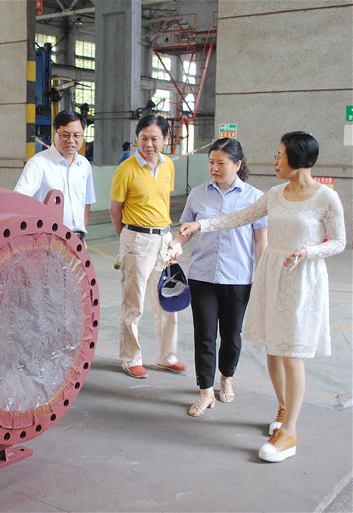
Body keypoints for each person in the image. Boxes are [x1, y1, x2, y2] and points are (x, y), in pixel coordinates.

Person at [179, 131, 345, 462]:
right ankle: (283, 409)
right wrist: (201, 226)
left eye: (280, 155)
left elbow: (339, 241)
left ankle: (289, 433)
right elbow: (237, 218)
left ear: (299, 158)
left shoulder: (326, 197)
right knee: (274, 350)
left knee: (292, 353)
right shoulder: (275, 194)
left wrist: (309, 251)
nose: (275, 160)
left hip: (302, 278)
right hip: (273, 275)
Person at [169, 138, 268, 416]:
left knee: (232, 335)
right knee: (204, 335)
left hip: (238, 277)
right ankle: (205, 391)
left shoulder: (254, 197)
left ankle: (226, 377)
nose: (214, 167)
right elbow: (186, 230)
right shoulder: (198, 194)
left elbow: (261, 240)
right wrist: (176, 244)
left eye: (221, 163)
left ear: (237, 165)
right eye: (211, 162)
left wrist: (261, 275)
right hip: (202, 276)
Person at [109, 114, 186, 379]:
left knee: (167, 299)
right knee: (134, 304)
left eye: (154, 138)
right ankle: (131, 358)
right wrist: (126, 238)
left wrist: (168, 239)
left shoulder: (168, 166)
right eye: (143, 138)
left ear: (165, 139)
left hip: (163, 239)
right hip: (137, 238)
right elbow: (115, 209)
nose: (148, 144)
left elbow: (162, 202)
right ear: (137, 139)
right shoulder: (126, 169)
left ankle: (167, 356)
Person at [15, 110, 95, 241]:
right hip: (47, 240)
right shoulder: (38, 164)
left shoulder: (84, 165)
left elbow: (86, 202)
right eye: (65, 135)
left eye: (76, 135)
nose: (71, 140)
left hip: (76, 241)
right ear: (54, 133)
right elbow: (19, 200)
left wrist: (82, 237)